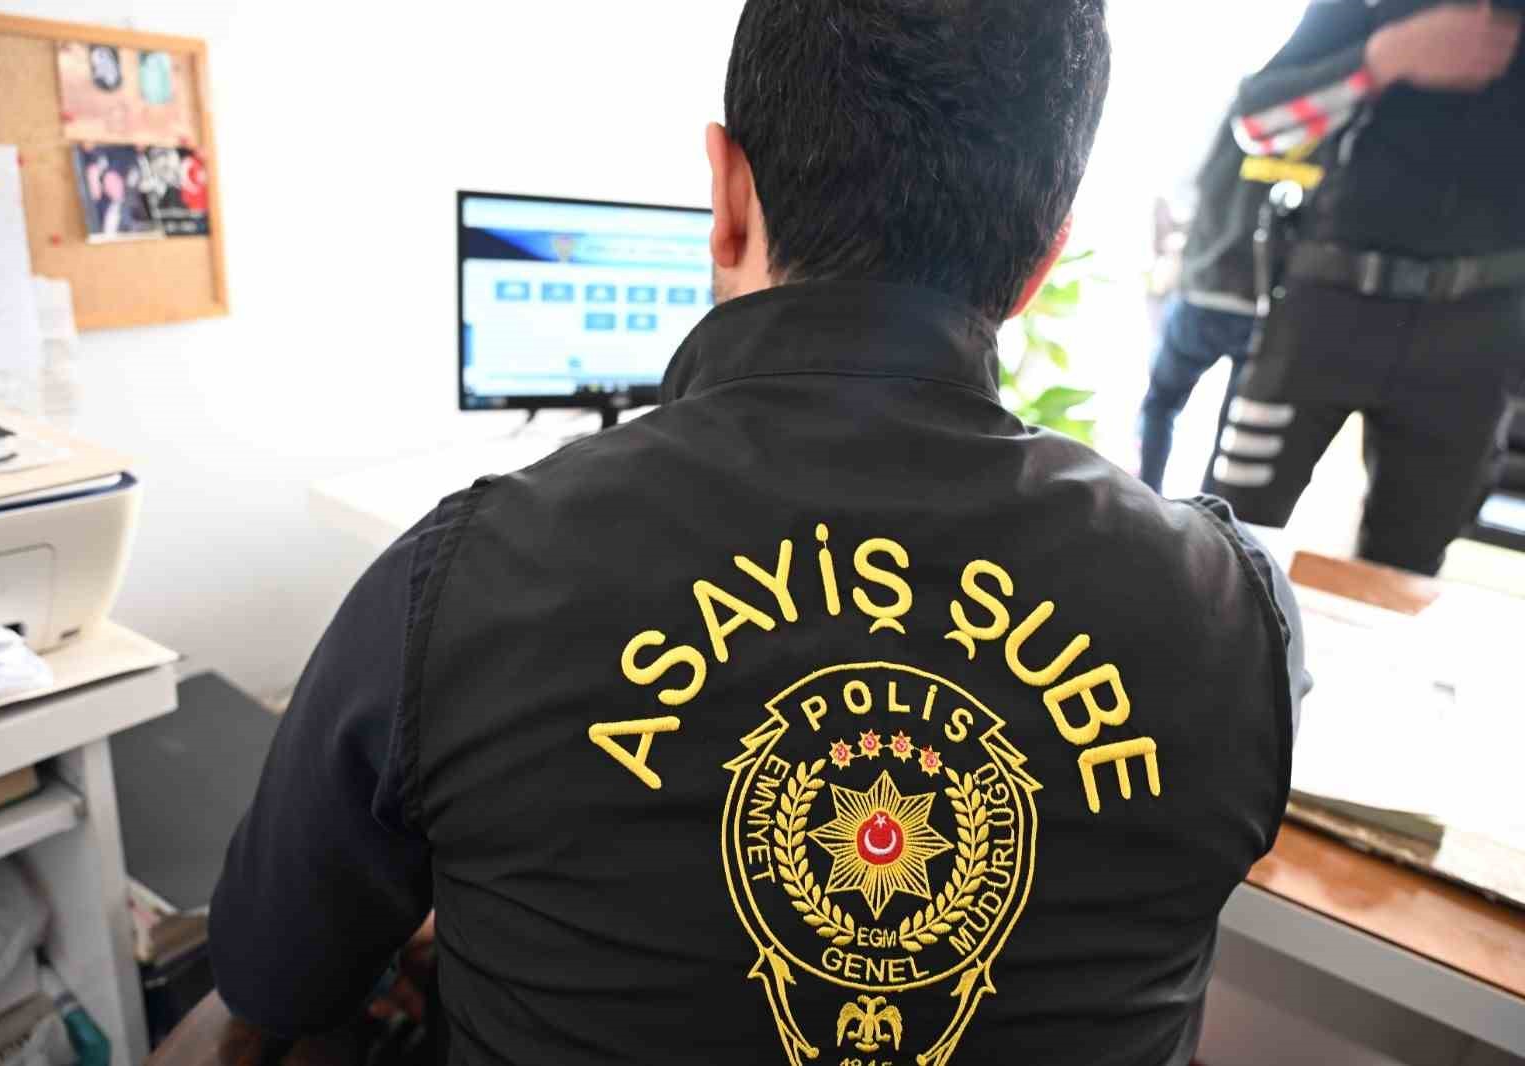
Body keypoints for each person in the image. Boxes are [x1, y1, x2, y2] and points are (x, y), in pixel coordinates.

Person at [211, 3, 1307, 1064]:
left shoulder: (457, 580)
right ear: (1040, 261)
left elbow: (275, 978)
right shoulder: (1230, 615)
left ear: (727, 194)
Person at [1204, 0, 1525, 576]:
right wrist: (1386, 58)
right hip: (1324, 308)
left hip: (1476, 338)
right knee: (1223, 540)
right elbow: (1257, 124)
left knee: (1407, 569)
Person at [1136, 103, 1333, 494]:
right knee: (1233, 432)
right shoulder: (1329, 121)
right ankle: (1212, 518)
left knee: (1162, 403)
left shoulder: (1239, 108)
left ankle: (1144, 497)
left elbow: (1182, 190)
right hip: (1268, 306)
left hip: (1205, 291)